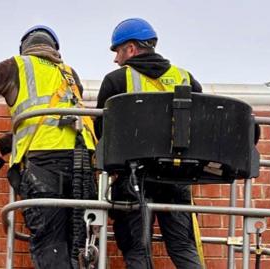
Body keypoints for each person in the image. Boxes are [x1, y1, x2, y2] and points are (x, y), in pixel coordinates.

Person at [0, 25, 96, 269]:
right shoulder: (70, 75)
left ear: (25, 48)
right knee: (79, 245)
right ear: (54, 50)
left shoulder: (16, 65)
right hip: (83, 165)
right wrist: (1, 145)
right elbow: (48, 120)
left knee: (51, 243)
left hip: (46, 165)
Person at [95, 18, 203, 269]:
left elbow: (103, 131)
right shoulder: (185, 78)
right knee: (182, 245)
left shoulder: (116, 81)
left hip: (133, 179)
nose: (115, 59)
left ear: (131, 49)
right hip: (177, 176)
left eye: (118, 51)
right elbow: (201, 125)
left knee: (137, 247)